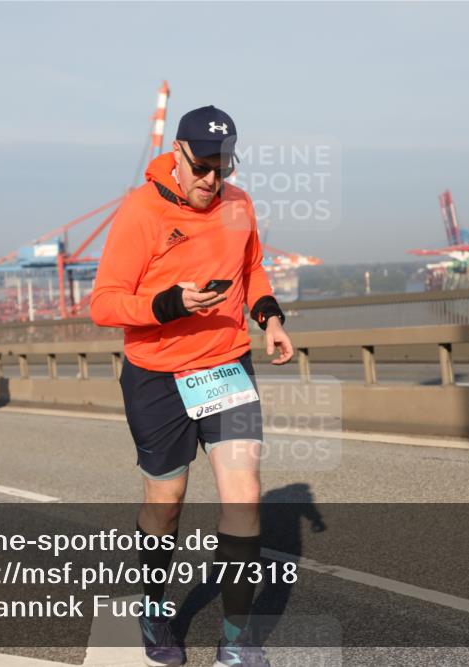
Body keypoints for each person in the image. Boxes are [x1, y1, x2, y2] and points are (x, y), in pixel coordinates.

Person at [90, 105, 294, 667]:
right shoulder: (141, 210)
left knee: (244, 493)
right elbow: (104, 303)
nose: (211, 179)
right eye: (201, 167)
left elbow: (251, 269)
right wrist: (169, 304)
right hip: (157, 375)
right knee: (166, 503)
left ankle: (236, 640)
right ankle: (154, 608)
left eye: (222, 168)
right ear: (177, 154)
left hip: (224, 365)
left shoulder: (239, 204)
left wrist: (271, 318)